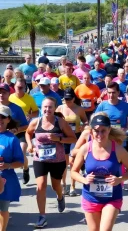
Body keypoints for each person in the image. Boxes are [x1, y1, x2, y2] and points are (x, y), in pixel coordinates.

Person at [71, 112, 128, 231]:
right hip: (90, 197)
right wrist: (84, 180)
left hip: (112, 197)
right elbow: (73, 172)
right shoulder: (85, 149)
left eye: (103, 130)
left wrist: (120, 179)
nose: (99, 134)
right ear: (91, 131)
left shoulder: (118, 149)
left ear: (109, 130)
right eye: (96, 131)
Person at [26, 97, 77, 228]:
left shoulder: (60, 122)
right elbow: (28, 133)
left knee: (55, 186)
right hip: (40, 159)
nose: (47, 109)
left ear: (55, 108)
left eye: (50, 107)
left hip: (57, 160)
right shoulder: (36, 122)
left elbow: (72, 138)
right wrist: (30, 145)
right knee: (41, 186)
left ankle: (60, 196)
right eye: (45, 107)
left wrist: (58, 138)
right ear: (41, 108)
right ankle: (42, 216)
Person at [56, 88, 88, 196]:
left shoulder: (79, 109)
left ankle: (73, 187)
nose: (68, 101)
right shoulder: (60, 108)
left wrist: (84, 126)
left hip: (76, 137)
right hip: (64, 138)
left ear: (74, 99)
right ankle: (64, 184)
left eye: (70, 99)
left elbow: (86, 121)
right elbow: (55, 122)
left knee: (72, 162)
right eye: (66, 99)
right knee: (64, 163)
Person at [0, 105, 24, 231]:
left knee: (3, 208)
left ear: (8, 119)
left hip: (5, 179)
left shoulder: (12, 139)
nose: (0, 119)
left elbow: (20, 162)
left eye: (2, 117)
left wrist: (8, 165)